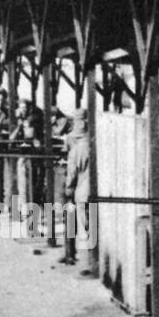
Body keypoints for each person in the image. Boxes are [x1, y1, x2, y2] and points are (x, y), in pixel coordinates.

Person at [60, 109, 96, 278]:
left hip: (81, 193)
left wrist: (68, 188)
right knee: (95, 227)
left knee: (83, 228)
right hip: (98, 193)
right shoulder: (98, 146)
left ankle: (85, 264)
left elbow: (71, 174)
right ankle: (96, 262)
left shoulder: (75, 150)